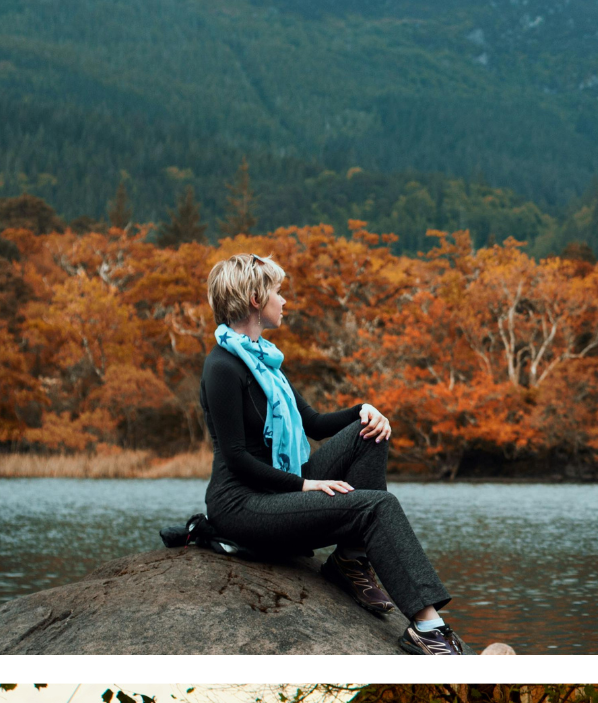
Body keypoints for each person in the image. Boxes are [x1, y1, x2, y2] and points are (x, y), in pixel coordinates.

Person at [199, 252, 466, 654]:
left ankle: (350, 562)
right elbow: (236, 458)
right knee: (376, 506)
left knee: (369, 433)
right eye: (277, 291)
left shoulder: (265, 362)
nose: (284, 300)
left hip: (277, 491)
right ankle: (428, 629)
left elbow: (314, 422)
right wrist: (306, 484)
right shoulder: (222, 366)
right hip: (241, 504)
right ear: (255, 298)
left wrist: (364, 410)